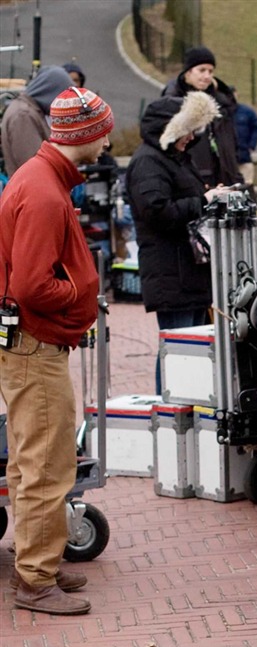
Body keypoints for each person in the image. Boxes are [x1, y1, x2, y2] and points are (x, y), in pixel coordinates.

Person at [0, 87, 114, 615]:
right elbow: (31, 287)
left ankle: (35, 562)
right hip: (35, 343)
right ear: (85, 136)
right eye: (104, 131)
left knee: (32, 460)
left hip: (28, 343)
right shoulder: (45, 192)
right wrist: (81, 292)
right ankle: (35, 580)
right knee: (47, 461)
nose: (110, 139)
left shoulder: (40, 179)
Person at [127, 93, 234, 391]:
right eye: (187, 130)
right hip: (173, 272)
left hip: (186, 272)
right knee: (178, 350)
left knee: (189, 348)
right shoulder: (149, 162)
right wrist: (204, 200)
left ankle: (186, 410)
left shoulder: (171, 158)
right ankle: (172, 412)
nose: (191, 136)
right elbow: (157, 212)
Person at [161, 47, 241, 187]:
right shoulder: (173, 102)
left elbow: (231, 142)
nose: (207, 76)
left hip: (225, 176)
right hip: (192, 178)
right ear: (188, 71)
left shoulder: (220, 101)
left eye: (210, 71)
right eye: (202, 70)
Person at [1, 66, 73, 175]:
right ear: (50, 91)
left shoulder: (30, 110)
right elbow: (34, 165)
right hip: (32, 189)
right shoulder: (23, 115)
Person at [230, 86, 257, 185]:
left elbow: (256, 128)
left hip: (244, 155)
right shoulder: (222, 113)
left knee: (247, 185)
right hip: (228, 159)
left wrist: (251, 145)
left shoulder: (247, 112)